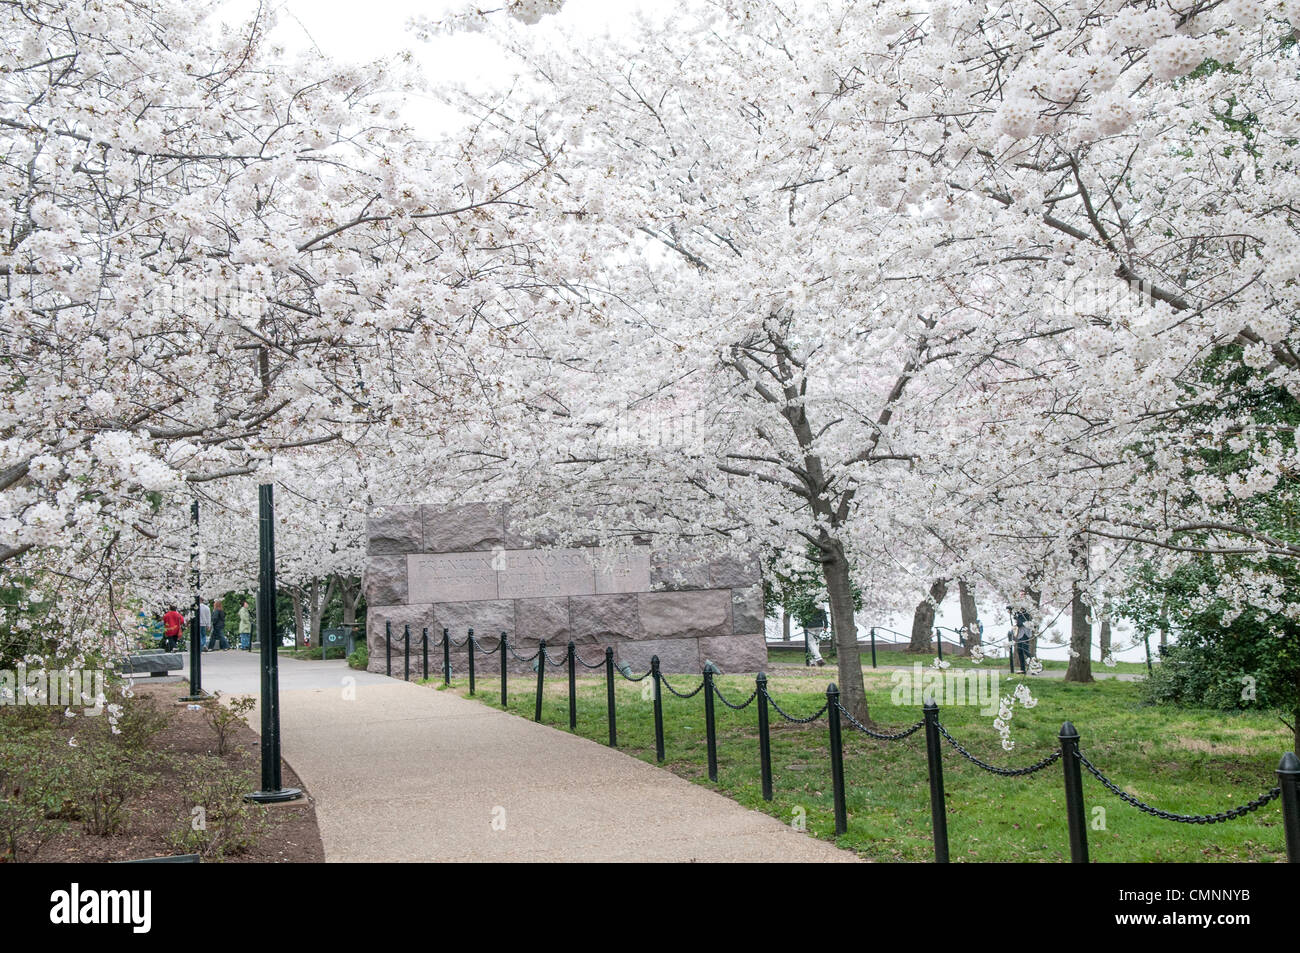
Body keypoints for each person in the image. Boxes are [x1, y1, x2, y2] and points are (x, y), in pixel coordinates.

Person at [1013, 609, 1033, 674]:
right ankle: (1022, 669)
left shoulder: (1026, 614)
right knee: (1020, 651)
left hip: (1025, 634)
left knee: (1025, 650)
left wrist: (1016, 618)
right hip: (1020, 634)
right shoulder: (1019, 613)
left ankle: (1036, 665)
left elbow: (1020, 624)